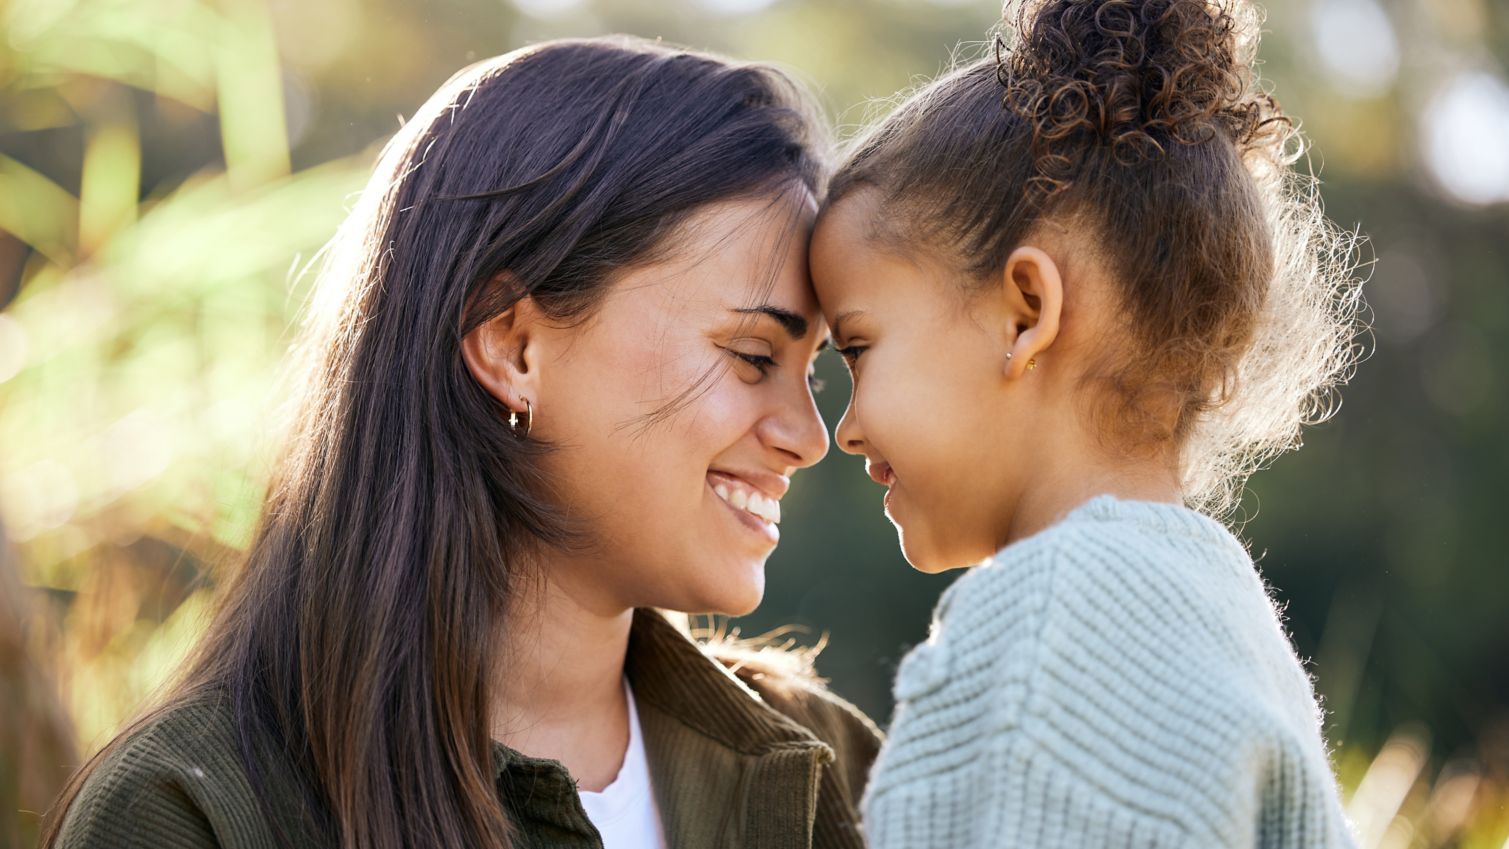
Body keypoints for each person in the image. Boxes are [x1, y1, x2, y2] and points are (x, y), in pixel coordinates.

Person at [44, 36, 880, 849]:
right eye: (751, 356)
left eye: (811, 373)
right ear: (512, 346)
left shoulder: (837, 768)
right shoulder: (191, 813)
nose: (808, 437)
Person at [809, 0, 1365, 845]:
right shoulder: (1226, 615)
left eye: (857, 347)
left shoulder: (1053, 628)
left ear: (1026, 311)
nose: (842, 429)